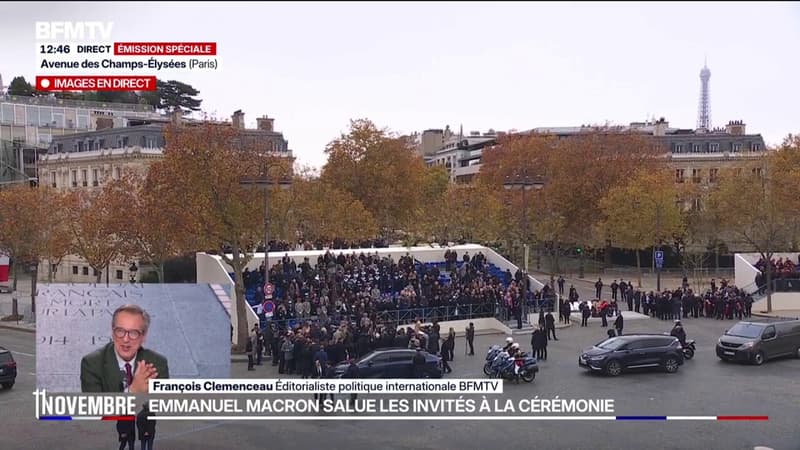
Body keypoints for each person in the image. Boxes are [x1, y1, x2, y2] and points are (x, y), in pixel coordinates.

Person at [81, 304, 169, 393]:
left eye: (133, 333)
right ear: (112, 332)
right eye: (120, 331)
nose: (125, 339)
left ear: (143, 336)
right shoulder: (92, 364)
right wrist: (133, 392)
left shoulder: (157, 364)